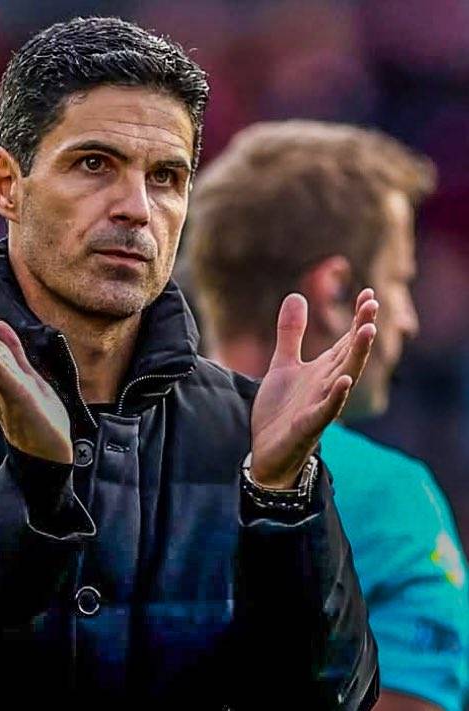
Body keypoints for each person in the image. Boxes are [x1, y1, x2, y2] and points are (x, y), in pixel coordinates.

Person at [0, 19, 379, 709]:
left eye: (165, 177)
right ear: (7, 184)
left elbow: (331, 699)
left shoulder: (250, 431)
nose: (136, 209)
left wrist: (280, 500)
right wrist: (32, 489)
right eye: (94, 164)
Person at [184, 120, 469, 711]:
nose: (409, 319)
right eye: (400, 281)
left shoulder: (111, 464)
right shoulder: (390, 497)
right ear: (335, 291)